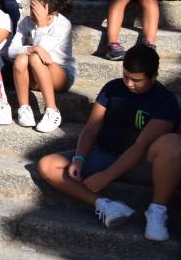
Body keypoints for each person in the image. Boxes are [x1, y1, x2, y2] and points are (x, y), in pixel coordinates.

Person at [38, 45, 181, 241]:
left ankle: (157, 211)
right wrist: (79, 159)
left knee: (172, 144)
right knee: (47, 165)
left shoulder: (165, 101)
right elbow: (91, 128)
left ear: (153, 76)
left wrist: (106, 176)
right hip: (106, 154)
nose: (129, 83)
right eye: (126, 76)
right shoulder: (113, 88)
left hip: (143, 164)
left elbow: (140, 145)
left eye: (136, 80)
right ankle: (107, 206)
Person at [7, 0, 75, 133]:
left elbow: (43, 52)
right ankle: (24, 108)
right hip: (34, 75)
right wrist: (31, 49)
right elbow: (11, 51)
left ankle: (52, 111)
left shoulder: (63, 25)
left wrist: (41, 25)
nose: (31, 13)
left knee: (36, 58)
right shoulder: (25, 22)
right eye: (31, 8)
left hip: (60, 75)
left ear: (49, 10)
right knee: (20, 59)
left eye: (36, 9)